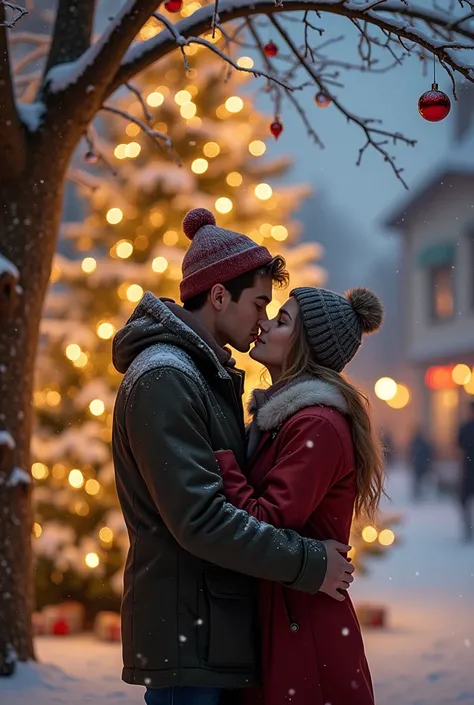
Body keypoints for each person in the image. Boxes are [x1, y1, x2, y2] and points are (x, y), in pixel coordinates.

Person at [112, 208, 354, 705]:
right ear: (220, 295)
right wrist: (308, 562)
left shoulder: (204, 374)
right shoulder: (168, 377)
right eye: (261, 303)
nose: (263, 320)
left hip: (208, 633)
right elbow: (199, 519)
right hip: (189, 636)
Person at [215, 285, 385, 705]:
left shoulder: (318, 425)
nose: (264, 325)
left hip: (305, 636)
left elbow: (266, 519)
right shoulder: (281, 421)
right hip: (282, 620)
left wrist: (217, 455)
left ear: (306, 346)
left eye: (282, 321)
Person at [457, 401, 474, 541]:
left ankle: (468, 528)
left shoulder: (466, 428)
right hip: (468, 469)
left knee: (465, 500)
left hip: (468, 469)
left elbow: (458, 445)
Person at [409, 426, 433, 502]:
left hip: (418, 464)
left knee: (417, 480)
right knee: (420, 480)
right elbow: (429, 453)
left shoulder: (414, 442)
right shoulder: (424, 442)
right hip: (422, 464)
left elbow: (411, 453)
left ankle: (417, 494)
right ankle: (419, 494)